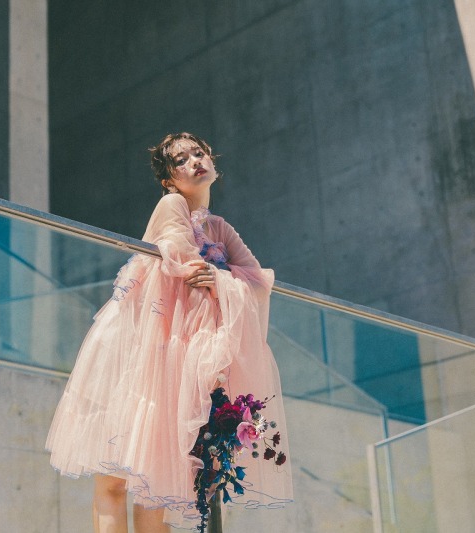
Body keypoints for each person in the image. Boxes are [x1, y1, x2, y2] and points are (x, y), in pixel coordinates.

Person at [46, 133, 293, 532]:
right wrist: (221, 278)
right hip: (138, 347)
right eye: (180, 160)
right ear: (169, 180)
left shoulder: (219, 227)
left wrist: (219, 278)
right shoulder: (172, 204)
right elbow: (182, 260)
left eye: (199, 153)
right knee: (114, 480)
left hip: (176, 355)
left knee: (153, 484)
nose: (194, 161)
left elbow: (259, 282)